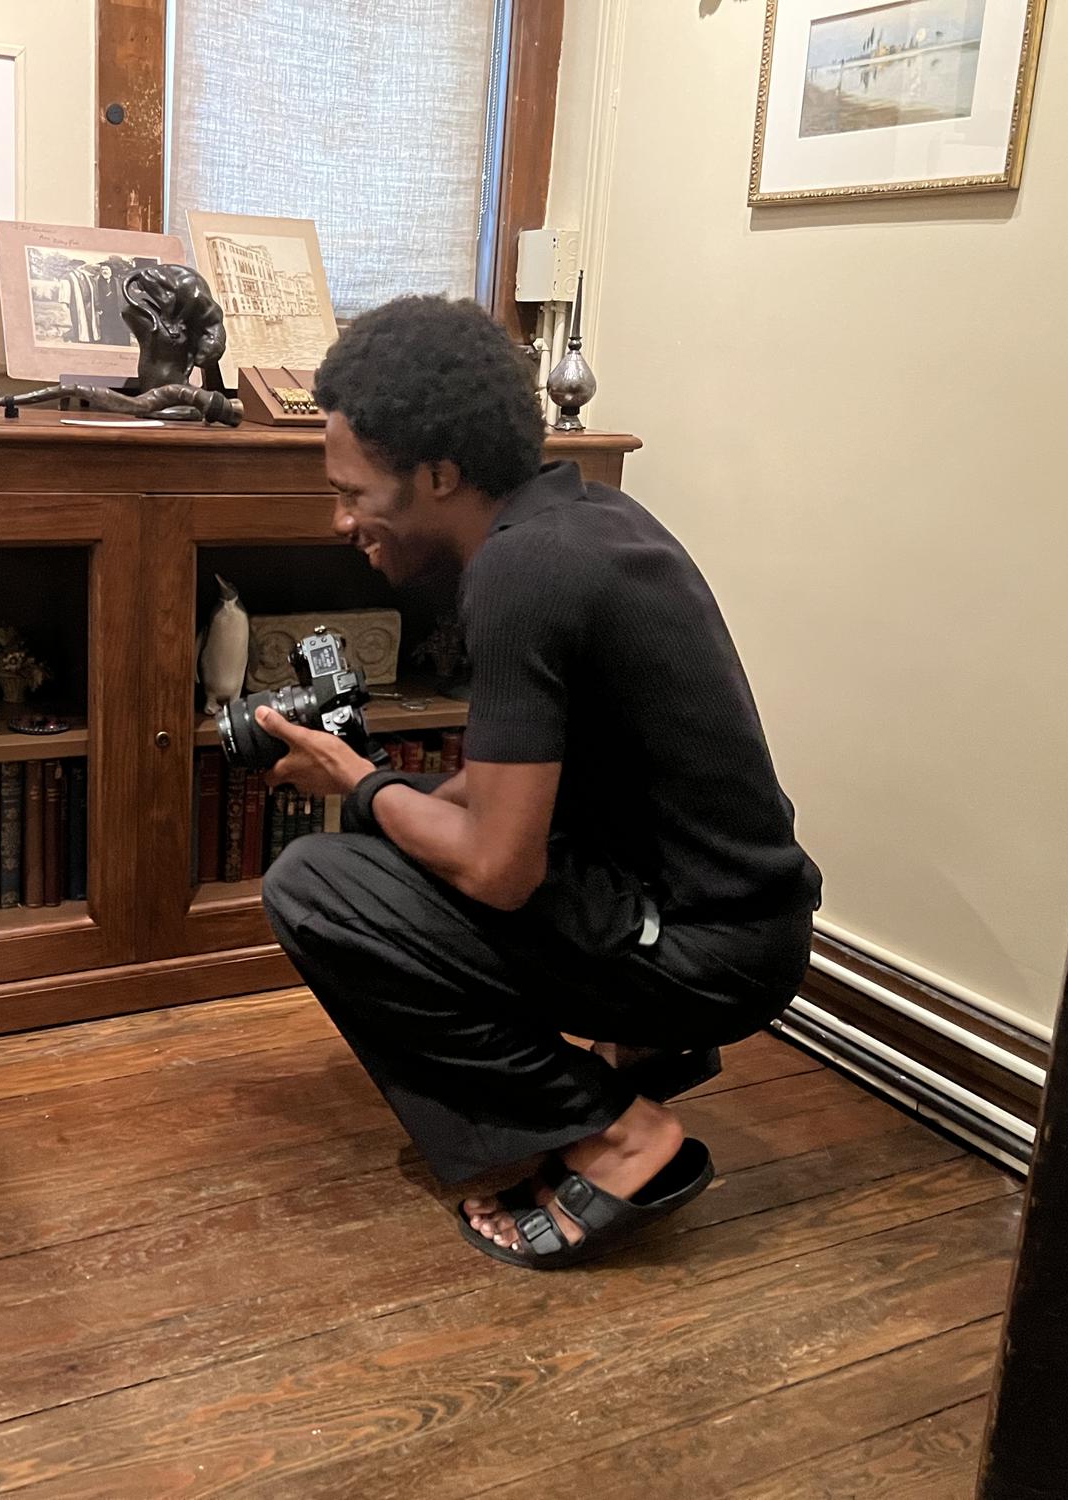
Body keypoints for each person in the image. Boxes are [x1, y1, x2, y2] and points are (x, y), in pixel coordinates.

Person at [255, 296, 822, 1269]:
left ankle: (620, 1139)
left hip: (709, 952)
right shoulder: (578, 519)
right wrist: (387, 794)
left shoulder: (520, 578)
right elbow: (497, 790)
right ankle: (624, 1060)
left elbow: (499, 871)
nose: (340, 519)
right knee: (402, 834)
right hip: (741, 918)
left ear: (437, 472)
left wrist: (353, 785)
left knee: (315, 886)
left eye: (354, 493)